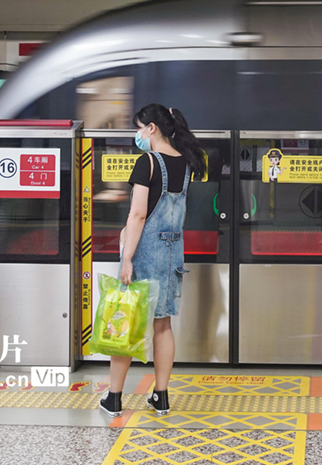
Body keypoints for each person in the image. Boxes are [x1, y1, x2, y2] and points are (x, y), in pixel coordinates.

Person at [100, 103, 205, 418]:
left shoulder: (146, 162)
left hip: (145, 252)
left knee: (126, 321)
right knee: (163, 325)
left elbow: (138, 214)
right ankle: (161, 396)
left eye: (138, 127)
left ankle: (114, 398)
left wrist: (127, 259)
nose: (137, 134)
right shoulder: (184, 163)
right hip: (173, 253)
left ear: (152, 128)